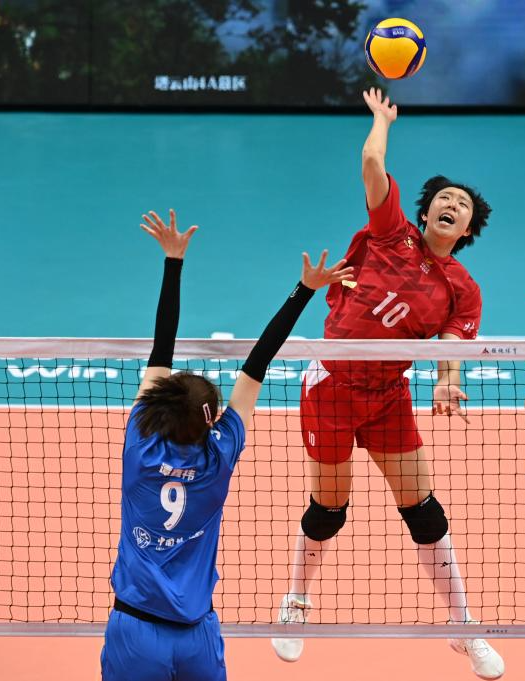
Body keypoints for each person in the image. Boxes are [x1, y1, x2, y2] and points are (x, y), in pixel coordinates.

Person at [271, 88, 503, 679]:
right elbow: (373, 164)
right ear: (425, 212)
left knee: (422, 510)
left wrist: (447, 381)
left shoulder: (463, 288)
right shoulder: (389, 232)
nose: (452, 204)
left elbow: (452, 345)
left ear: (468, 229)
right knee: (330, 508)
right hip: (331, 385)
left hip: (387, 396)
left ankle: (464, 627)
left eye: (462, 205)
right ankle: (296, 602)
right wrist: (382, 120)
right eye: (444, 198)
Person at [101, 210, 352, 681]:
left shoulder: (140, 443)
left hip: (134, 631)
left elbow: (161, 348)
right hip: (197, 634)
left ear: (161, 407)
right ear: (211, 421)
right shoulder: (219, 455)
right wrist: (305, 289)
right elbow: (258, 362)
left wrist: (173, 262)